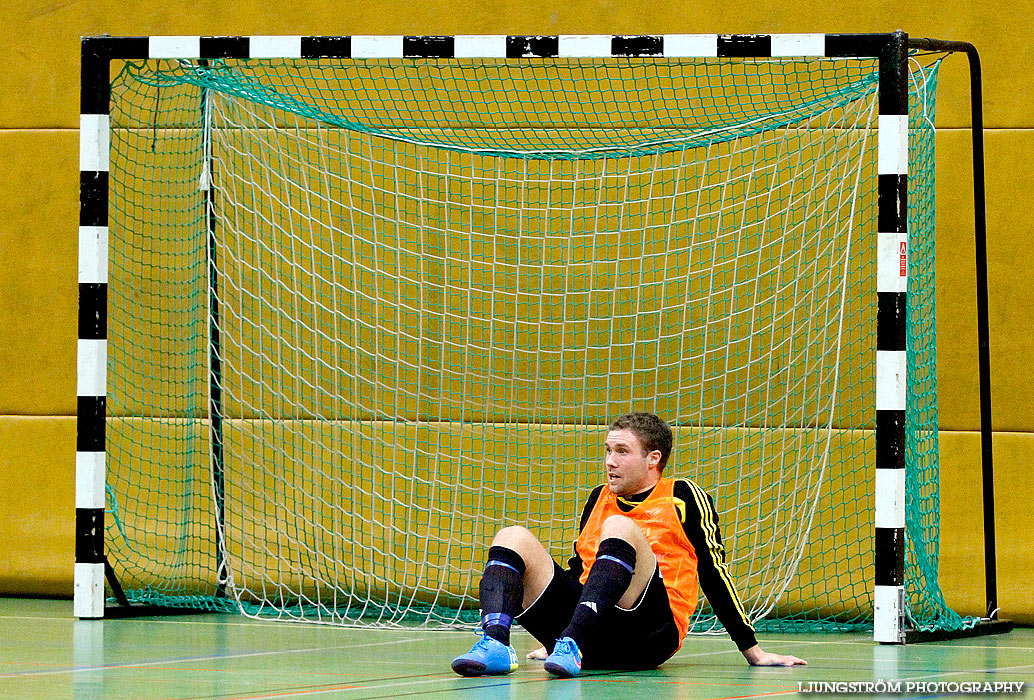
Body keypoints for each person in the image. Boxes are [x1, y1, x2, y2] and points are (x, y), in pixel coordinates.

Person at [450, 412, 806, 677]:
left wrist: (752, 650)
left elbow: (714, 573)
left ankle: (572, 641)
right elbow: (580, 567)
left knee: (620, 526)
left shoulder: (682, 496)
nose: (609, 461)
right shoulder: (598, 496)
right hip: (591, 632)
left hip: (649, 634)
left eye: (621, 451)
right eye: (607, 450)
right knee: (512, 536)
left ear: (653, 459)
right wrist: (549, 631)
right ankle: (497, 642)